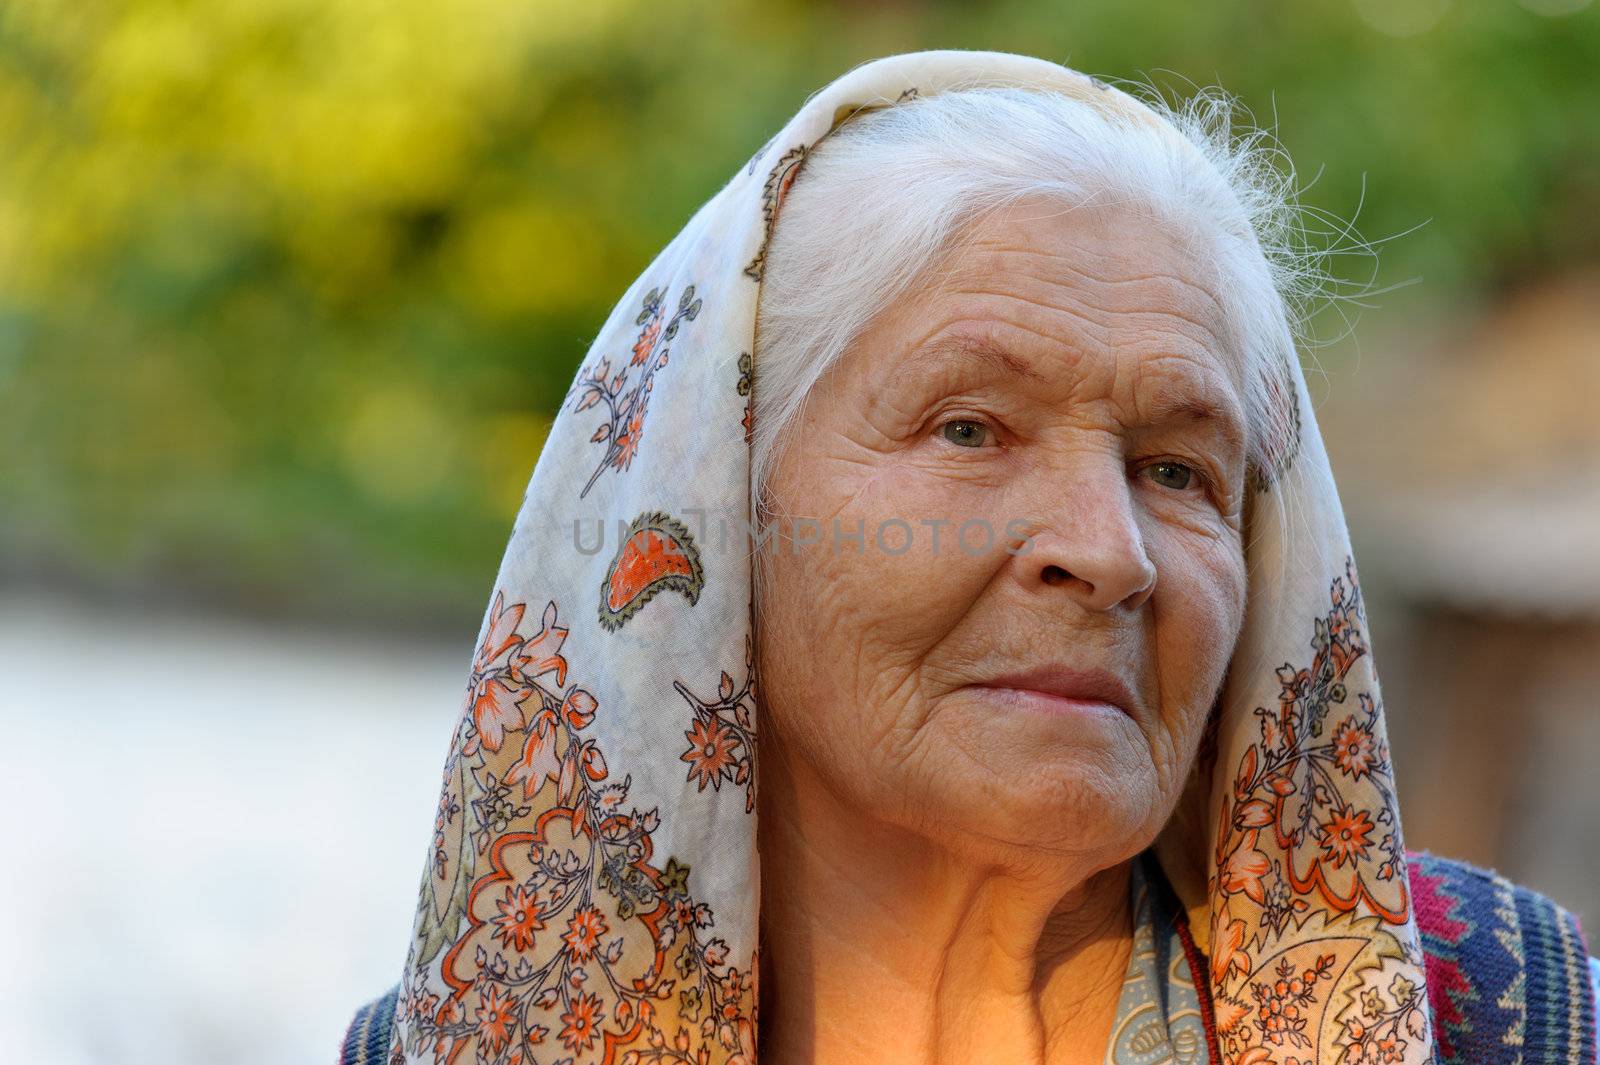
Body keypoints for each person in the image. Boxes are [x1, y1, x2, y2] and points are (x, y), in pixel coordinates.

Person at [339, 50, 1598, 1065]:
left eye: (1177, 471)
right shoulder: (471, 1039)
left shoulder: (1495, 1015)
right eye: (967, 428)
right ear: (719, 509)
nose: (1108, 555)